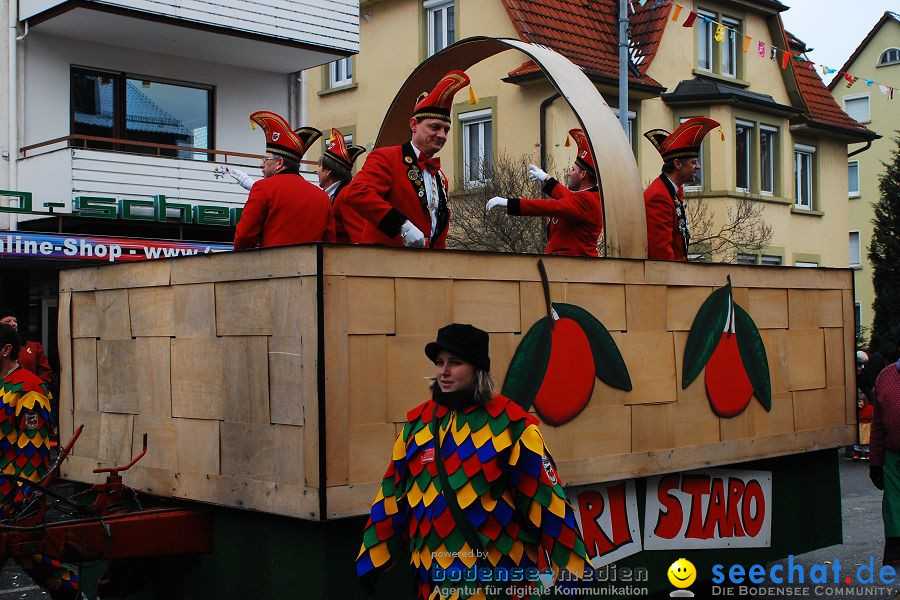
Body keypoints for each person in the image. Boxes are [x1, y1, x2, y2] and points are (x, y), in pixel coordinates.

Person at [356, 323, 589, 599]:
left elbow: (547, 502)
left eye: (455, 362)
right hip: (432, 586)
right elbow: (392, 496)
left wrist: (572, 573)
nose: (443, 371)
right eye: (439, 362)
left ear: (477, 368)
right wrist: (372, 558)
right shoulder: (415, 428)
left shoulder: (513, 428)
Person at [343, 70, 472, 249]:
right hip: (385, 266)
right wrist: (401, 225)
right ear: (413, 125)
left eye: (446, 130)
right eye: (435, 127)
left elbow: (437, 229)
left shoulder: (440, 177)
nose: (442, 135)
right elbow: (356, 193)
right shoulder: (386, 157)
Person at [0, 324, 78, 597]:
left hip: (11, 499)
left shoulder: (29, 389)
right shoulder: (3, 384)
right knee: (32, 558)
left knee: (29, 553)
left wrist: (25, 502)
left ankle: (74, 591)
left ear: (6, 349)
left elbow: (33, 454)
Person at [485, 128, 603, 256]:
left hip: (572, 267)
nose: (568, 173)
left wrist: (509, 203)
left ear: (583, 174)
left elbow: (551, 207)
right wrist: (546, 177)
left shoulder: (586, 200)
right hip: (568, 265)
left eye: (573, 170)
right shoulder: (588, 197)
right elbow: (568, 196)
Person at [233, 110, 335, 250]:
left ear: (279, 163)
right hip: (312, 270)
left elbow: (243, 239)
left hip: (275, 270)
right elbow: (330, 245)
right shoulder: (322, 197)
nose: (261, 164)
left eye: (266, 159)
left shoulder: (262, 188)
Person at [642, 117, 720, 261]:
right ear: (677, 164)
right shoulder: (658, 196)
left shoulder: (673, 191)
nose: (698, 166)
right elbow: (661, 253)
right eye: (693, 162)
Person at [869, 330, 900, 566]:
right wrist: (875, 462)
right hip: (894, 455)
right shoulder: (885, 377)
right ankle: (896, 551)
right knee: (893, 503)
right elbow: (878, 425)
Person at [318, 128, 367, 243]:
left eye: (319, 166)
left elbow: (359, 239)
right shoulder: (336, 194)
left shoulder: (345, 196)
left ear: (328, 171)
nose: (317, 172)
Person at [0, 309, 52, 386]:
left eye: (15, 321)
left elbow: (45, 372)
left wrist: (35, 386)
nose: (13, 323)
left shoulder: (34, 347)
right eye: (8, 321)